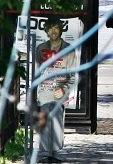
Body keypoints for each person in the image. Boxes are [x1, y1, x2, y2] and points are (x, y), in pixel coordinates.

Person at [34, 17, 77, 163]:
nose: (53, 31)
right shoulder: (40, 49)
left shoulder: (69, 50)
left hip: (59, 92)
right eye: (50, 28)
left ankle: (56, 155)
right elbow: (36, 73)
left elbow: (73, 75)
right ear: (46, 30)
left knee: (57, 122)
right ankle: (46, 154)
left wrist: (65, 90)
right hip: (44, 91)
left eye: (56, 28)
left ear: (61, 29)